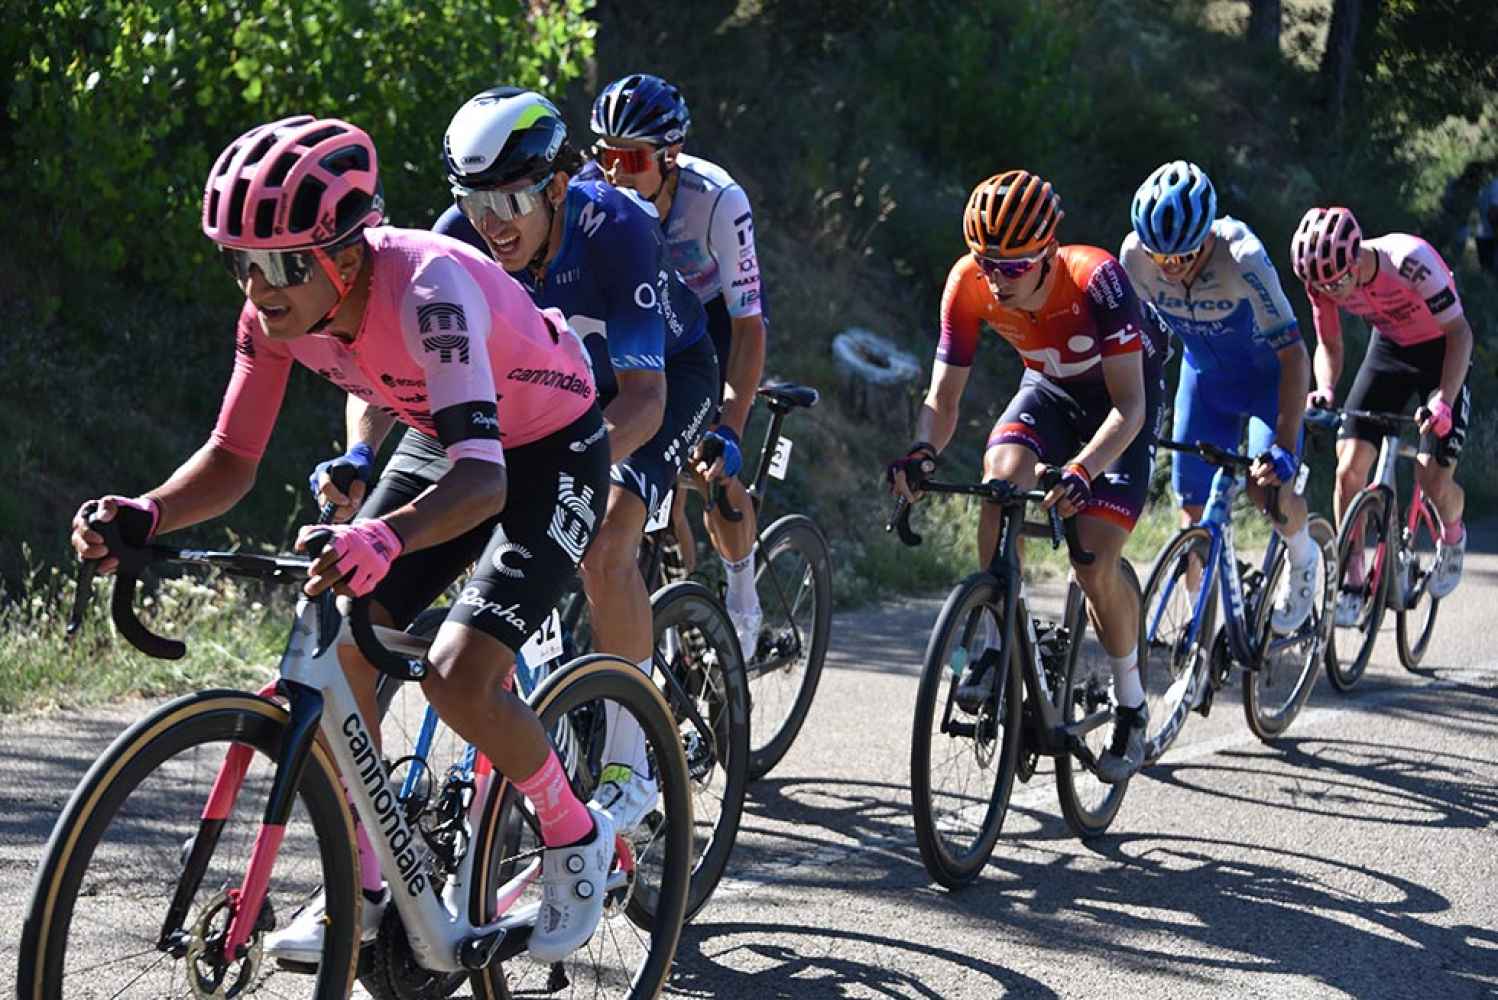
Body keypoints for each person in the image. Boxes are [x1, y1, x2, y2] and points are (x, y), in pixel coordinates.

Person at [70, 116, 615, 965]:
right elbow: (231, 459)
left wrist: (387, 537)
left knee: (458, 676)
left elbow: (487, 484)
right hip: (450, 428)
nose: (258, 287)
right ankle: (366, 880)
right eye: (239, 262)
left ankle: (572, 827)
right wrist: (147, 512)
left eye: (281, 263)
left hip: (549, 446)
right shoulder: (273, 315)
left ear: (347, 254)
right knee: (342, 653)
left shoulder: (428, 287)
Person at [432, 88, 717, 835]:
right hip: (555, 391)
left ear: (557, 186)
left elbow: (646, 401)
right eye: (473, 199)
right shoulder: (458, 238)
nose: (491, 223)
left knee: (607, 538)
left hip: (657, 382)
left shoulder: (615, 226)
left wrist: (563, 468)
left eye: (511, 200)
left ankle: (631, 765)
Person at [888, 170, 1167, 784]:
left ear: (1047, 254)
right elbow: (943, 396)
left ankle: (1131, 705)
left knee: (1092, 561)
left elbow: (1131, 408)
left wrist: (1084, 470)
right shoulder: (968, 283)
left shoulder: (1098, 280)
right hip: (1047, 391)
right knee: (1000, 478)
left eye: (1013, 267)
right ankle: (994, 641)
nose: (996, 279)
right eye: (987, 262)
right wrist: (921, 452)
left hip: (1119, 406)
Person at [590, 72, 769, 661]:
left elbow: (747, 324)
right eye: (604, 156)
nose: (614, 173)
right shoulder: (595, 194)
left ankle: (743, 599)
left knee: (710, 468)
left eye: (631, 158)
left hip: (708, 327)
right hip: (641, 320)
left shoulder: (718, 198)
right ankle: (681, 620)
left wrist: (732, 424)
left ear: (670, 155)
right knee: (660, 491)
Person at [1120, 160, 1317, 634]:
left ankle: (1304, 555)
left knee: (1265, 490)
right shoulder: (1133, 258)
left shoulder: (1243, 256)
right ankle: (1200, 635)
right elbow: (1130, 346)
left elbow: (1293, 354)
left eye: (1182, 258)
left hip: (1268, 382)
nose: (1168, 270)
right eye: (1159, 258)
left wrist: (1285, 448)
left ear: (1207, 238)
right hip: (1204, 382)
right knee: (1192, 515)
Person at [1291, 205, 1473, 621]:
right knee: (1348, 470)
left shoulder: (1410, 262)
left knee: (1432, 474)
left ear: (1355, 258)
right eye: (1321, 285)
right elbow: (1331, 346)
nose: (1331, 292)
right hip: (1389, 350)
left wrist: (1443, 399)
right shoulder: (1321, 278)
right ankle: (1352, 575)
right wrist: (1325, 388)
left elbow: (1460, 333)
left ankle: (1452, 533)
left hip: (1441, 352)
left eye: (1337, 282)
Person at [1474, 176, 1498, 275]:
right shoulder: (1495, 183)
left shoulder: (1486, 182)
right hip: (1489, 235)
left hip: (1483, 233)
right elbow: (1493, 211)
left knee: (1488, 273)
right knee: (1490, 272)